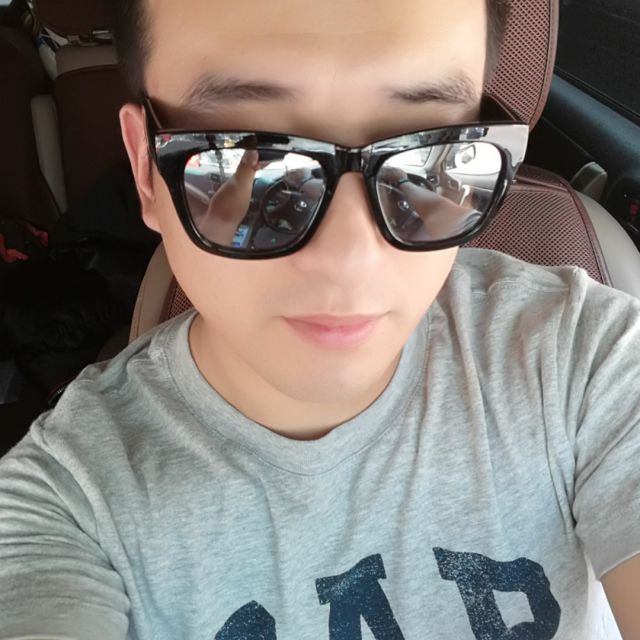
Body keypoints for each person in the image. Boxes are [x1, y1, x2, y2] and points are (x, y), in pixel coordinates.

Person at [1, 0, 640, 638]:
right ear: (146, 170)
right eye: (251, 161)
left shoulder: (586, 358)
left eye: (428, 156)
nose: (350, 258)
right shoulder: (67, 505)